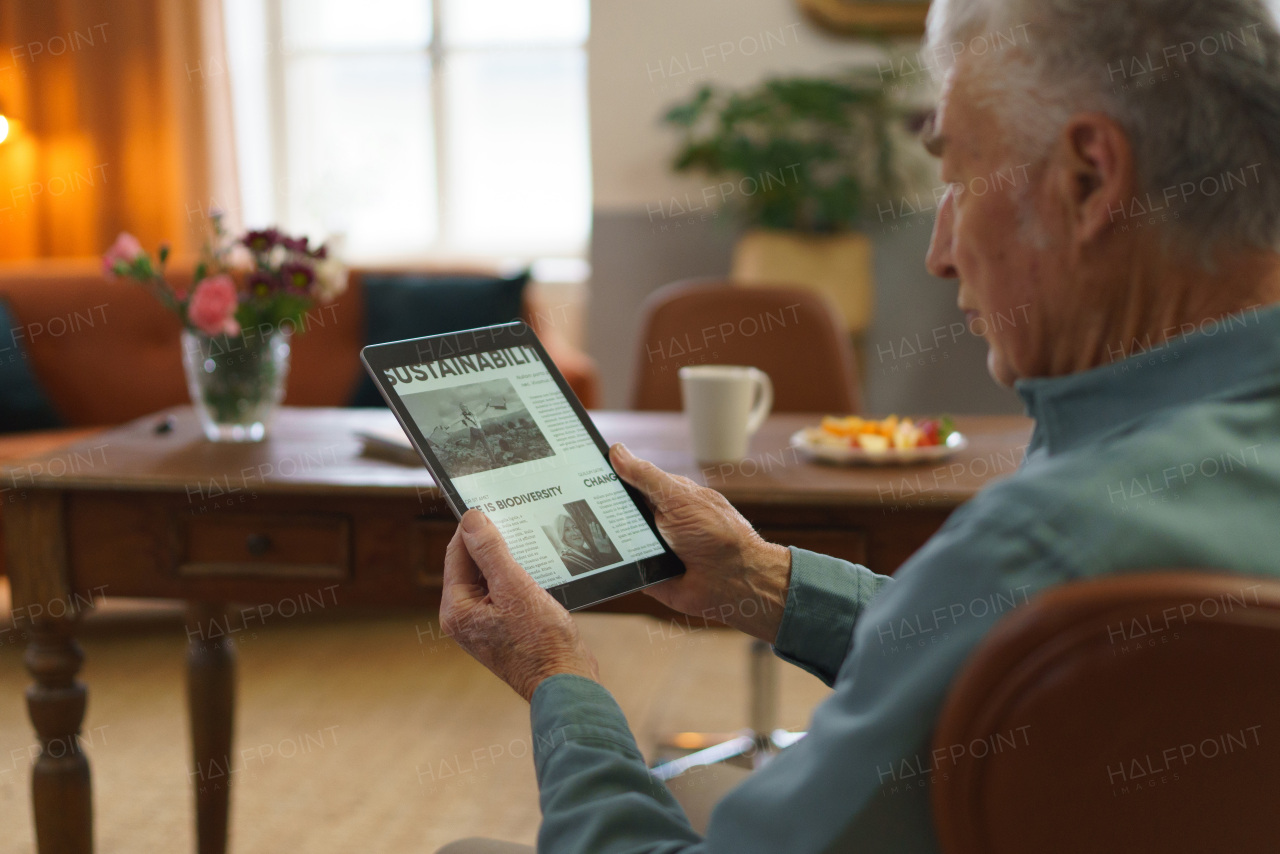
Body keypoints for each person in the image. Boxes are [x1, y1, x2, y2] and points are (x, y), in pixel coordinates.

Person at [435, 0, 1280, 850]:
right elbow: (994, 651)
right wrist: (760, 582)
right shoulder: (1078, 548)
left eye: (955, 178)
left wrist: (556, 674)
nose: (939, 250)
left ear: (1089, 179)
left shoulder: (1045, 539)